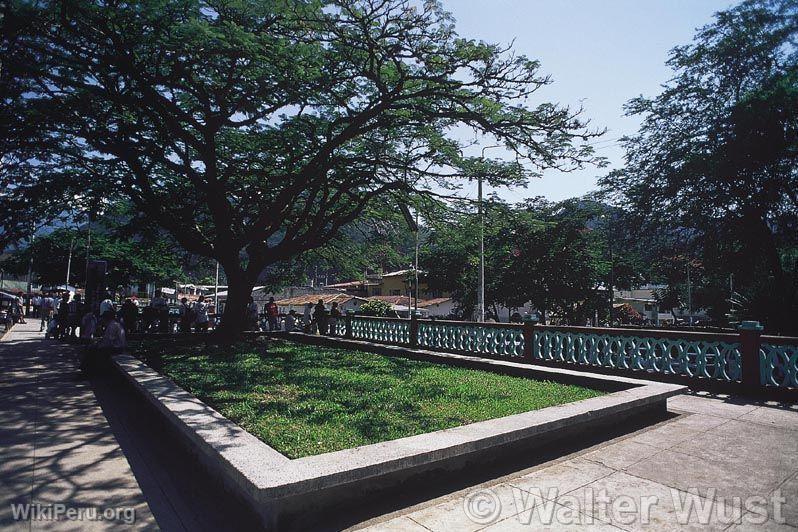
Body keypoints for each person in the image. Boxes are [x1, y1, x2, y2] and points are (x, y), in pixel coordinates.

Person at [80, 310, 125, 375]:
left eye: (103, 318)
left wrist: (99, 345)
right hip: (115, 346)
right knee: (92, 349)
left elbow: (109, 341)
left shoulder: (113, 326)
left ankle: (88, 371)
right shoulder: (113, 324)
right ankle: (87, 370)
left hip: (117, 348)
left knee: (94, 351)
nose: (102, 319)